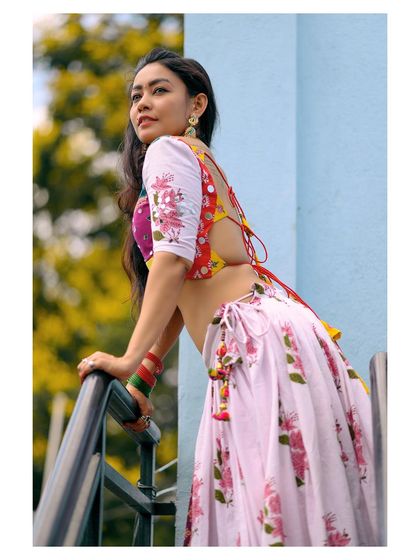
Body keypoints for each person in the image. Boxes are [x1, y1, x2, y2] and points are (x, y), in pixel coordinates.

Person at [77, 47, 378, 546]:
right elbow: (179, 284)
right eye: (136, 95)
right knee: (283, 501)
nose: (142, 104)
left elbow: (171, 262)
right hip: (269, 338)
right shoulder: (198, 160)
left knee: (261, 503)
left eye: (159, 90)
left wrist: (127, 361)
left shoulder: (168, 153)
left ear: (195, 106)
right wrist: (145, 379)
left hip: (253, 344)